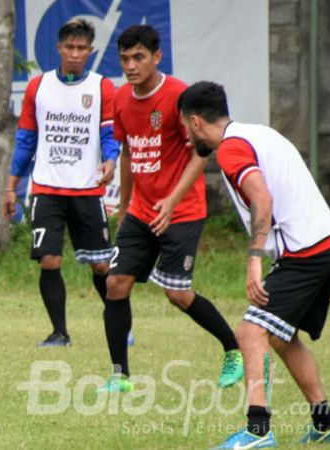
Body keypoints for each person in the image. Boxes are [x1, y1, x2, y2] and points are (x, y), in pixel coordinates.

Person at [177, 81, 330, 449]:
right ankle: (324, 424)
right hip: (321, 244)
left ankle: (258, 430)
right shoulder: (259, 134)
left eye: (186, 131)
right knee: (281, 337)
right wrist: (318, 270)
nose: (189, 140)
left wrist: (254, 260)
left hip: (306, 251)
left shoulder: (232, 149)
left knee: (250, 331)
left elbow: (263, 199)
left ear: (196, 122)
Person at [97, 25, 243, 393]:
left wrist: (173, 199)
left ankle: (234, 350)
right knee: (115, 283)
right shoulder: (120, 99)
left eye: (138, 58)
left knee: (177, 294)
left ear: (156, 57)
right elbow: (129, 151)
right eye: (125, 59)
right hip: (141, 210)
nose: (131, 66)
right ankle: (120, 376)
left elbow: (201, 151)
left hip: (182, 211)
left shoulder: (178, 95)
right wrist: (127, 203)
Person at [3, 19, 119, 347]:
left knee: (100, 264)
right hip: (46, 189)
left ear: (90, 51)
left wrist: (110, 160)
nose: (75, 54)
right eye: (69, 47)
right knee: (49, 259)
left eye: (81, 48)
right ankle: (59, 332)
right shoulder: (38, 87)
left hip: (86, 189)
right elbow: (26, 139)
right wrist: (11, 186)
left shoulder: (101, 87)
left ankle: (119, 322)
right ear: (58, 48)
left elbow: (109, 134)